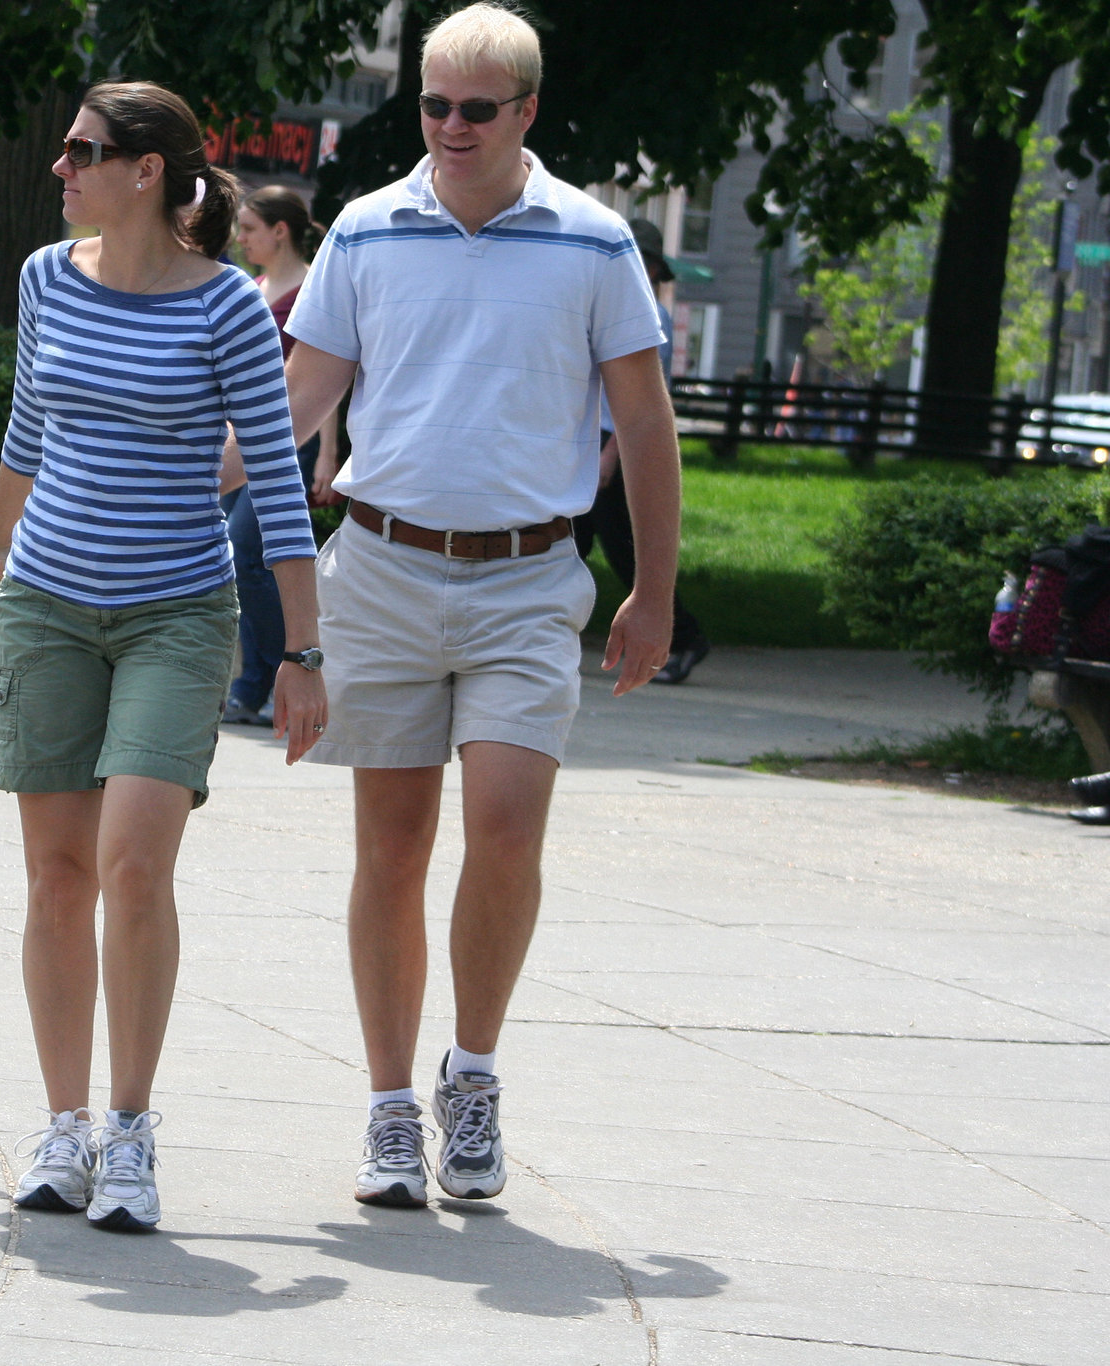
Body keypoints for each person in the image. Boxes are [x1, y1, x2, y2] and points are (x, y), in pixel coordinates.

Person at [283, 3, 679, 1206]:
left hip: (525, 579)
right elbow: (293, 402)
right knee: (390, 850)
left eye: (474, 108)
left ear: (526, 113)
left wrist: (652, 592)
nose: (448, 128)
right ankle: (390, 1105)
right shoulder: (362, 229)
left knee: (505, 827)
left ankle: (475, 1073)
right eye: (432, 106)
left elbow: (647, 427)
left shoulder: (592, 242)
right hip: (384, 567)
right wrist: (161, 502)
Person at [0, 80, 326, 1233]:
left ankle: (128, 1130)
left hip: (175, 616)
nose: (60, 166)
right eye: (64, 147)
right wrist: (4, 573)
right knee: (54, 875)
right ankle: (61, 1125)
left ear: (146, 172)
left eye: (81, 149)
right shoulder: (43, 277)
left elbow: (275, 479)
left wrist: (301, 649)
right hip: (47, 605)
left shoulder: (225, 304)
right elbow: (27, 434)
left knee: (132, 864)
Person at [219, 186, 343, 726]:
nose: (240, 238)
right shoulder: (254, 287)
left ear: (280, 230)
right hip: (238, 440)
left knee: (251, 544)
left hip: (295, 438)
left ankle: (277, 672)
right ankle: (253, 682)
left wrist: (328, 453)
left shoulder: (315, 287)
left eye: (248, 228)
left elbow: (326, 376)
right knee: (237, 555)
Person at [573, 218, 710, 683]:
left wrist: (609, 457)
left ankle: (685, 636)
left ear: (654, 269)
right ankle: (540, 635)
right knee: (566, 542)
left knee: (626, 549)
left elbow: (645, 401)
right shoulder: (602, 301)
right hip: (586, 444)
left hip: (620, 449)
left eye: (644, 260)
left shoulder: (653, 315)